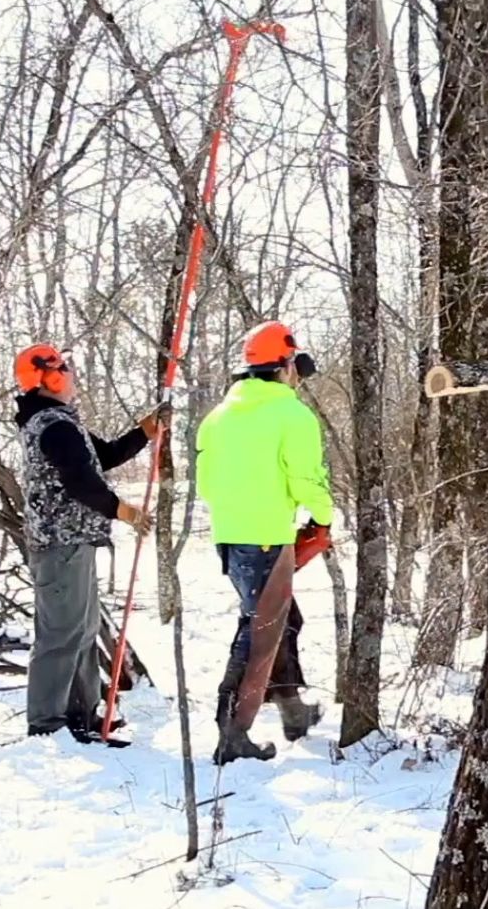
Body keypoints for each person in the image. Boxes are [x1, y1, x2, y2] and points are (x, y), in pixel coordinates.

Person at [12, 343, 166, 744]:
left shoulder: (59, 423)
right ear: (50, 377)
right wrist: (123, 511)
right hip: (60, 545)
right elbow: (81, 482)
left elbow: (104, 456)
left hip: (73, 543)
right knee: (61, 634)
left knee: (81, 631)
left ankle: (82, 714)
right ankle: (47, 725)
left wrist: (143, 434)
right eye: (65, 367)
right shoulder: (54, 427)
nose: (72, 373)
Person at [196, 321, 335, 765]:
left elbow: (205, 485)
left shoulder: (218, 417)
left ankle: (292, 710)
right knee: (259, 633)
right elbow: (305, 480)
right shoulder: (292, 415)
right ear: (286, 365)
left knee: (282, 620)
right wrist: (325, 516)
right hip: (268, 539)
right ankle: (233, 731)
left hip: (230, 539)